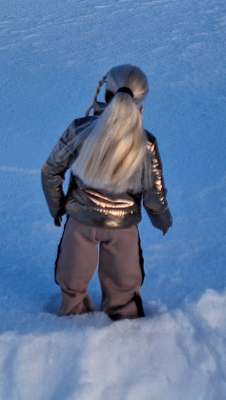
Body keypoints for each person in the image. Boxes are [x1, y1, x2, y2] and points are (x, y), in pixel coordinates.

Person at [41, 64, 171, 320]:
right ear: (141, 100)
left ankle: (72, 326)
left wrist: (57, 208)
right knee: (124, 285)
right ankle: (125, 334)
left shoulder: (81, 129)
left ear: (105, 93)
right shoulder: (145, 142)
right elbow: (154, 193)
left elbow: (50, 172)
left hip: (80, 222)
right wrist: (162, 219)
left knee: (72, 280)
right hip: (123, 227)